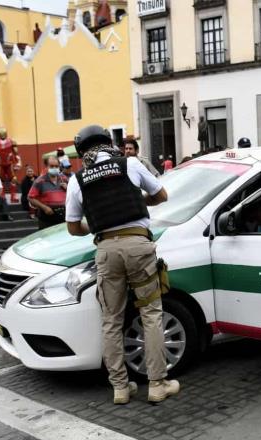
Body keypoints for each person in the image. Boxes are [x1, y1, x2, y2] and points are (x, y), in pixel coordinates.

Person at [65, 125, 179, 405]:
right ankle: (157, 384)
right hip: (138, 246)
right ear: (109, 143)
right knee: (151, 313)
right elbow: (162, 196)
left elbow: (72, 227)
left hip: (106, 250)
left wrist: (100, 221)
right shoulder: (130, 163)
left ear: (82, 152)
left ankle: (119, 388)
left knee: (111, 320)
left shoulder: (76, 180)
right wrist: (136, 203)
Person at [29, 155, 69, 229]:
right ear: (46, 166)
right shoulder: (39, 181)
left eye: (56, 166)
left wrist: (68, 188)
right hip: (47, 216)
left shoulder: (64, 178)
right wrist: (44, 208)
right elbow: (30, 197)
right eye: (51, 166)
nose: (54, 168)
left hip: (63, 215)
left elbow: (73, 193)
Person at [0, 128, 21, 203]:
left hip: (9, 163)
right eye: (1, 133)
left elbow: (16, 153)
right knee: (0, 180)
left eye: (3, 133)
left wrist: (19, 162)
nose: (2, 135)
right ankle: (2, 196)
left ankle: (13, 196)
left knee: (14, 179)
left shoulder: (12, 142)